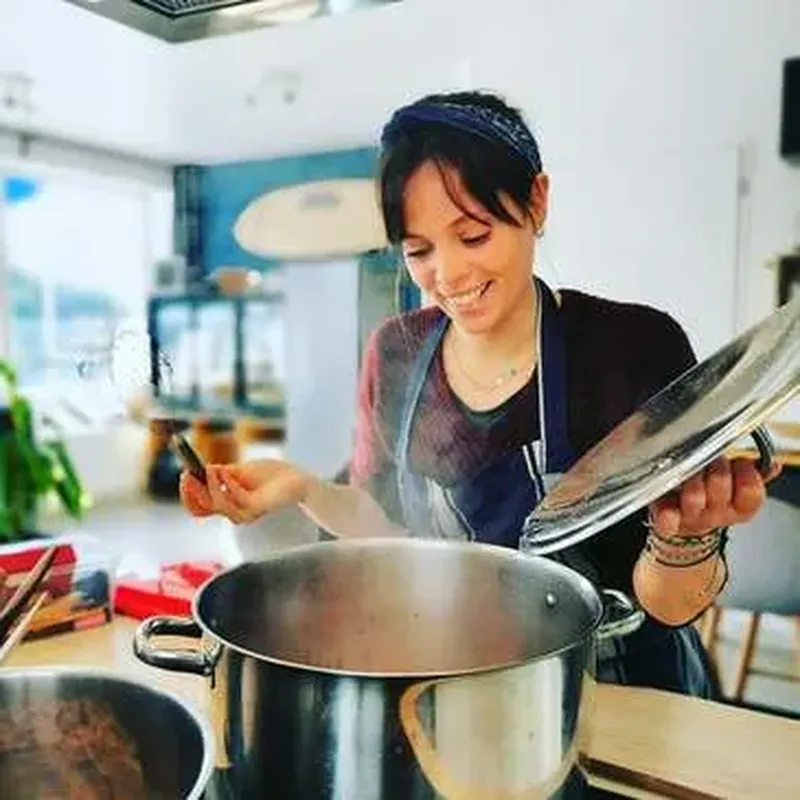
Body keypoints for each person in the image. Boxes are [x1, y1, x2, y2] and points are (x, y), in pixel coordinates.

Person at [180, 90, 778, 698]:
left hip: (627, 693)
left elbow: (674, 609)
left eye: (472, 236)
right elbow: (387, 531)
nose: (449, 276)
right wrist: (303, 489)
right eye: (418, 251)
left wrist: (686, 537)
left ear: (537, 201)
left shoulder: (632, 347)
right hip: (464, 690)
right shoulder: (396, 353)